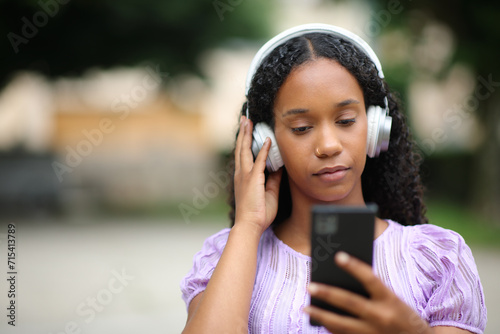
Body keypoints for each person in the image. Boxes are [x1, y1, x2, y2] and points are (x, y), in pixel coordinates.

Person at [180, 23, 487, 334]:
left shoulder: (438, 258)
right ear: (267, 143)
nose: (328, 145)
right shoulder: (226, 256)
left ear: (376, 128)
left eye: (346, 120)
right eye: (301, 127)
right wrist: (248, 225)